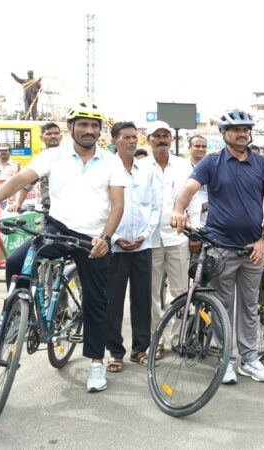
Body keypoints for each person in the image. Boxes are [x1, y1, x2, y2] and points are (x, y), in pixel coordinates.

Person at [0, 102, 126, 392]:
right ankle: (15, 320)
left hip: (93, 237)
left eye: (94, 126)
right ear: (71, 128)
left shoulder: (111, 161)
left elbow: (117, 205)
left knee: (96, 302)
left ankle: (95, 363)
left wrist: (105, 237)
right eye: (83, 125)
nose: (89, 130)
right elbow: (18, 180)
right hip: (57, 228)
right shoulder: (53, 156)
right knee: (16, 261)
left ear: (99, 131)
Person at [172, 108, 264, 384]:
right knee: (224, 307)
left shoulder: (262, 165)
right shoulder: (212, 162)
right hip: (221, 247)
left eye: (246, 129)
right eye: (236, 130)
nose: (242, 134)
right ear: (224, 134)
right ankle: (227, 359)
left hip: (252, 249)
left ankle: (250, 360)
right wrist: (178, 210)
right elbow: (188, 189)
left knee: (250, 306)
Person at [105, 122, 161, 373]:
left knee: (142, 301)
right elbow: (101, 208)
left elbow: (155, 206)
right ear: (114, 140)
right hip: (114, 248)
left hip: (142, 245)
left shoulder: (147, 170)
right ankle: (115, 352)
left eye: (134, 137)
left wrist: (145, 235)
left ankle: (140, 349)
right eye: (126, 137)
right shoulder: (105, 168)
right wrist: (115, 237)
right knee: (112, 302)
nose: (132, 141)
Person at [148, 120, 200, 360]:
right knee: (151, 294)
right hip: (148, 239)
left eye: (165, 136)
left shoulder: (182, 166)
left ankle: (178, 339)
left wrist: (195, 231)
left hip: (178, 237)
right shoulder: (141, 166)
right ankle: (154, 340)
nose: (161, 140)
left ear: (171, 140)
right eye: (157, 136)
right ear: (149, 140)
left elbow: (195, 199)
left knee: (180, 293)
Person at [12, 122, 62, 212]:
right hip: (49, 210)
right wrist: (18, 203)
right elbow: (27, 184)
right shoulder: (40, 160)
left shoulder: (71, 156)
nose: (53, 136)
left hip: (70, 211)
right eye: (49, 134)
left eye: (56, 133)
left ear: (61, 137)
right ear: (42, 138)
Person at [187, 135, 209, 225]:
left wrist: (204, 206)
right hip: (186, 216)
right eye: (197, 146)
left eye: (204, 146)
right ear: (189, 147)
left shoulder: (213, 167)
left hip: (206, 216)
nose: (201, 149)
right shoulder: (180, 166)